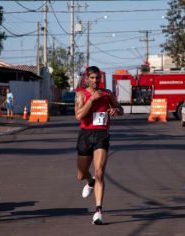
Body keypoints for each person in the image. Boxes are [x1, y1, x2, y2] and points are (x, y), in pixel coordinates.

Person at [74, 66, 123, 225]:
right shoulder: (81, 94)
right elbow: (78, 115)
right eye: (92, 78)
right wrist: (91, 100)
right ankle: (90, 182)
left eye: (98, 78)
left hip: (102, 135)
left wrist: (115, 110)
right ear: (87, 79)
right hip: (85, 135)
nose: (95, 81)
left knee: (99, 171)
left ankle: (98, 212)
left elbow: (120, 109)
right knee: (81, 174)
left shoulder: (107, 94)